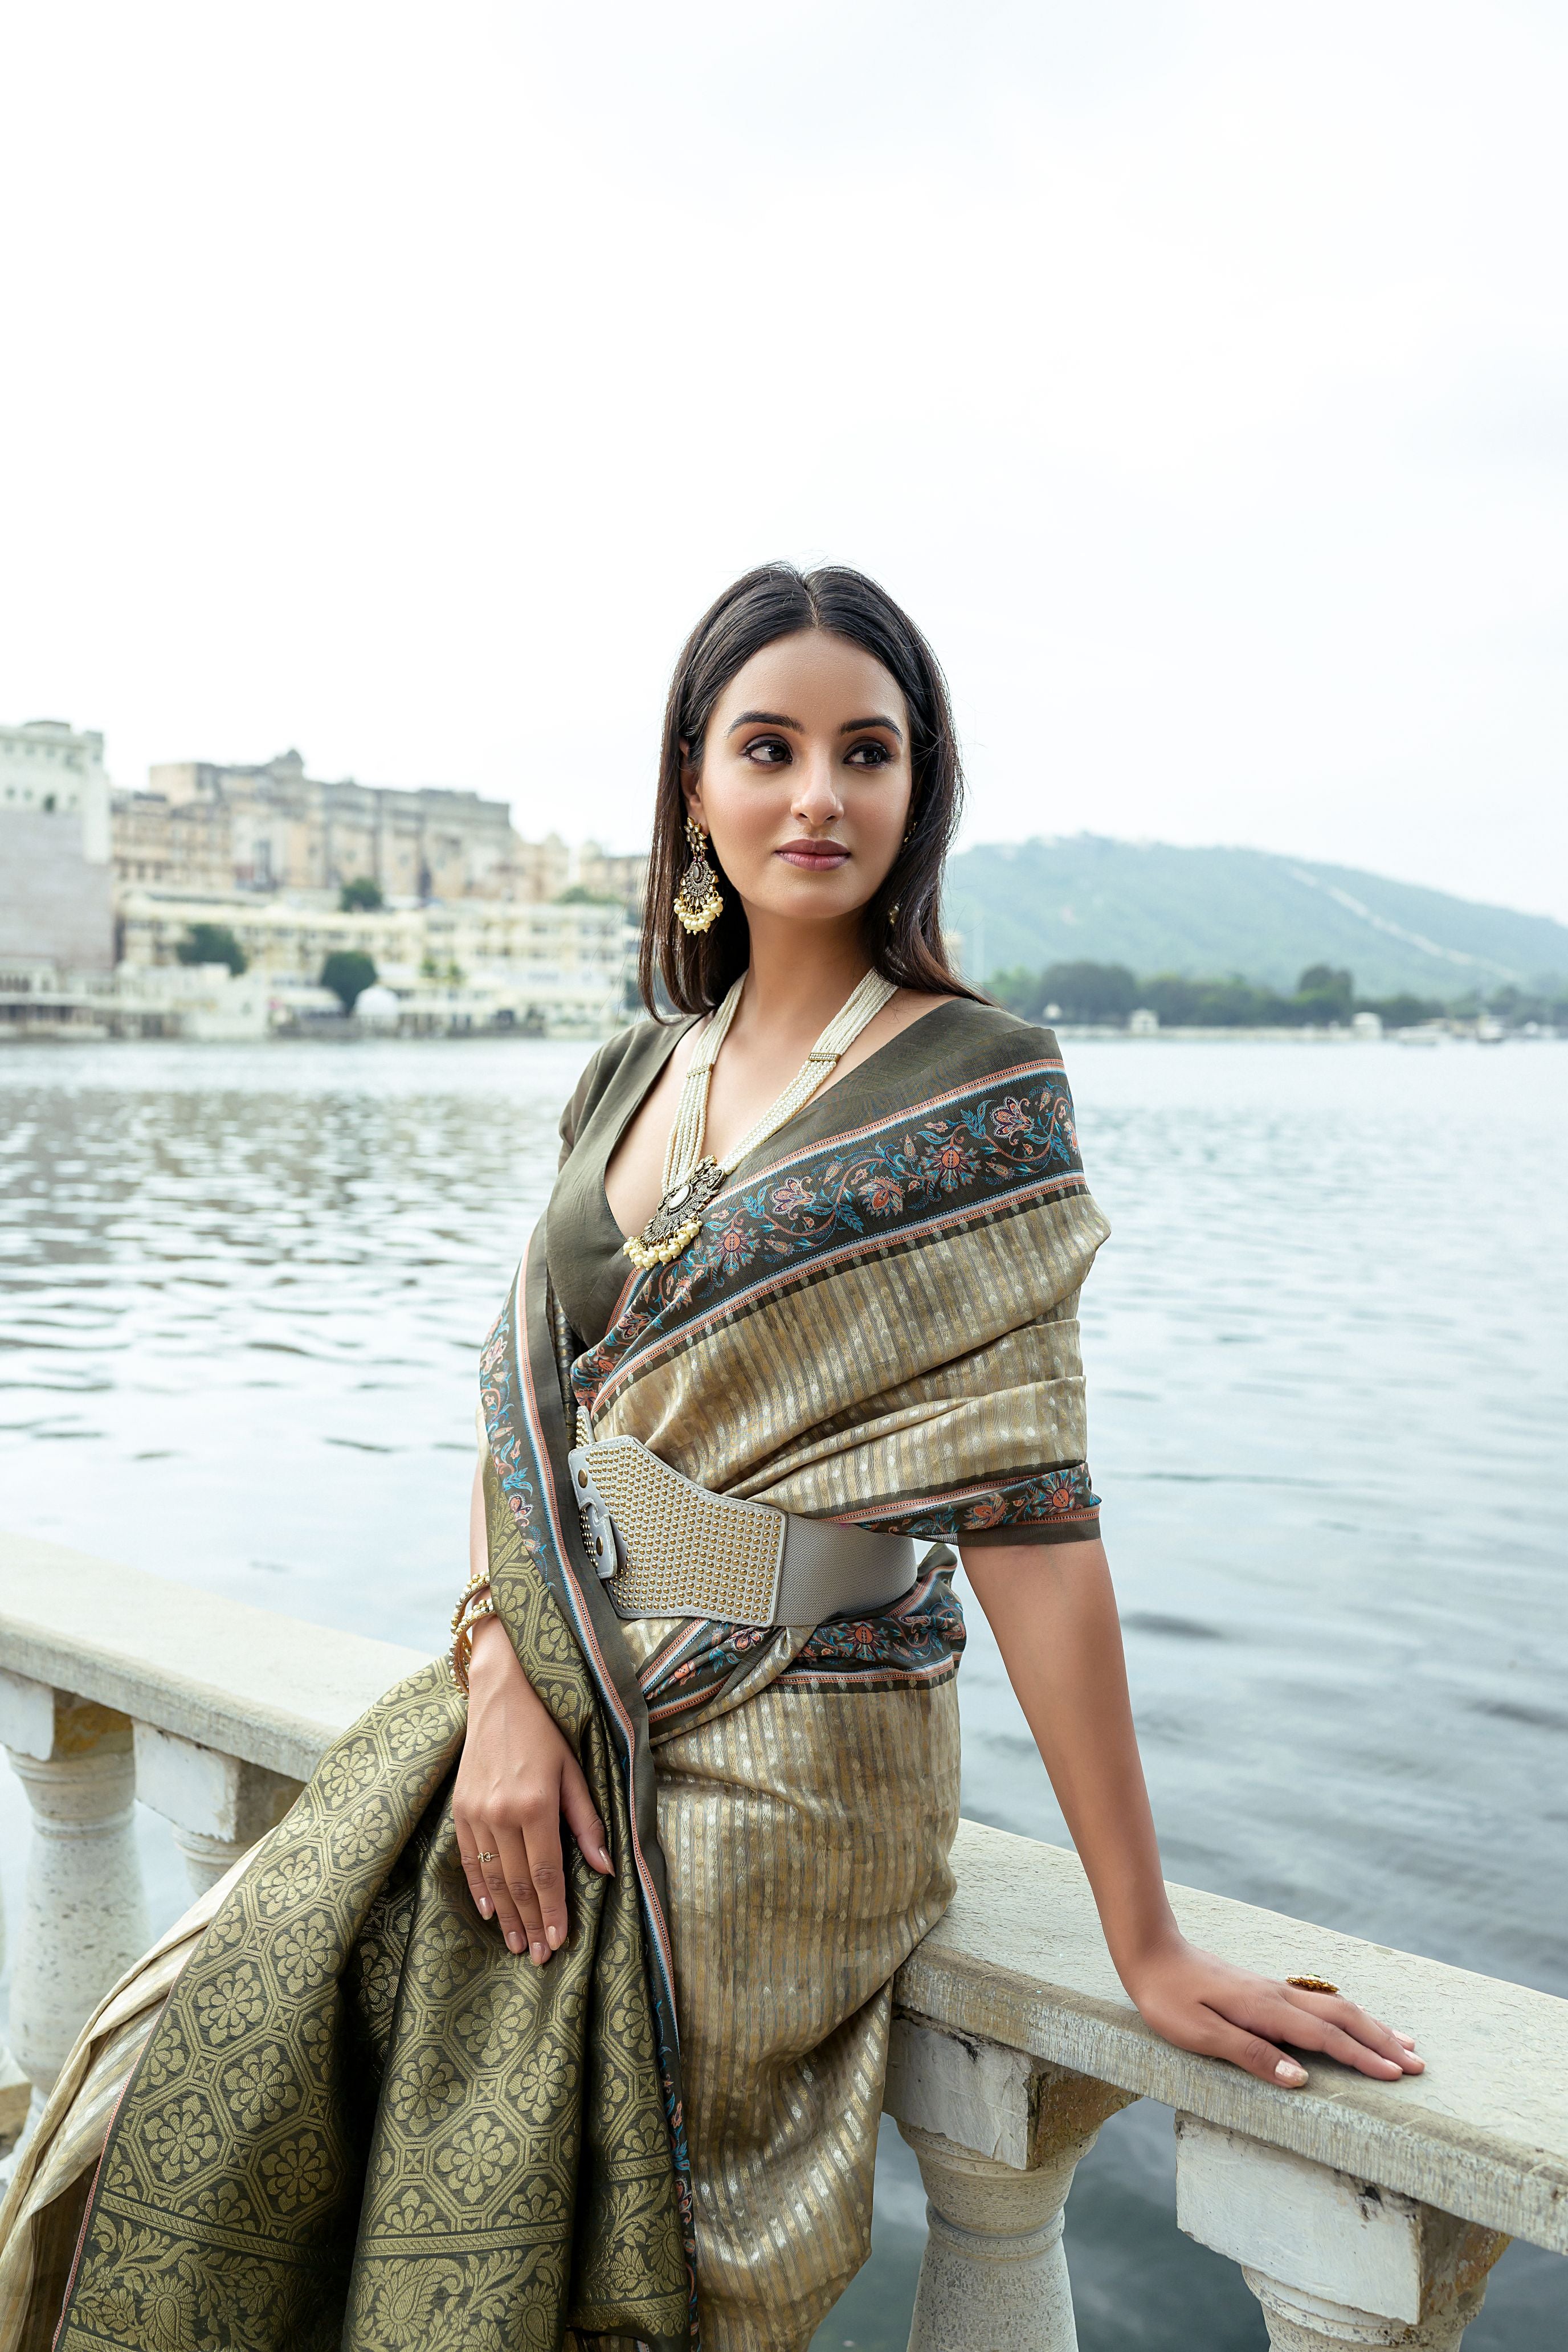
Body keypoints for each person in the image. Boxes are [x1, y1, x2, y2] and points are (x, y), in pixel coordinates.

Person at [13, 565, 1421, 2352]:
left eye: (869, 752)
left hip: (801, 1734)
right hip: (553, 1681)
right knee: (225, 2033)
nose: (819, 794)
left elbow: (1035, 1521)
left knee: (664, 2246)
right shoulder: (626, 1072)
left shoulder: (978, 1087)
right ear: (696, 785)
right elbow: (526, 1411)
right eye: (771, 748)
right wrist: (503, 1682)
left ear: (921, 795)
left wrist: (1143, 1939)